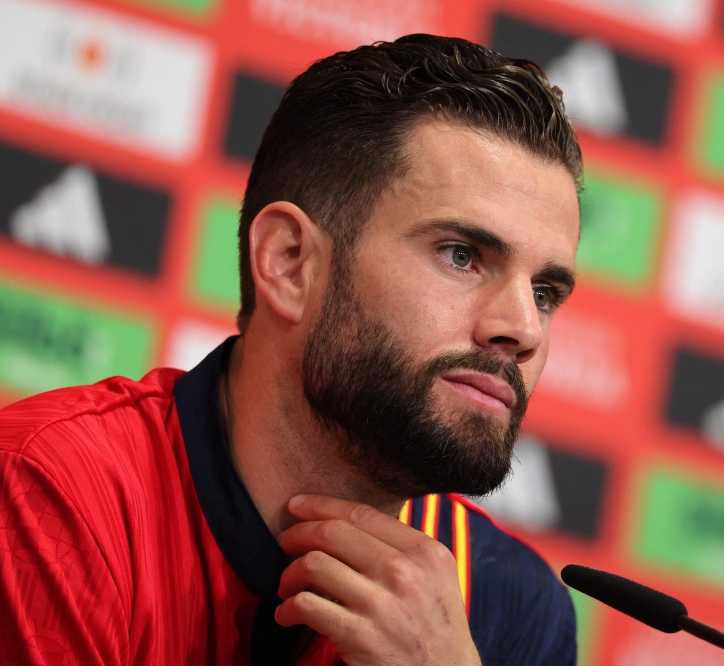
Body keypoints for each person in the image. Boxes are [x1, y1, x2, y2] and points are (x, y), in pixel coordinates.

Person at [0, 34, 583, 665]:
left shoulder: (515, 603)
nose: (523, 328)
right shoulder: (50, 495)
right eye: (462, 256)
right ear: (289, 262)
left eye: (546, 292)